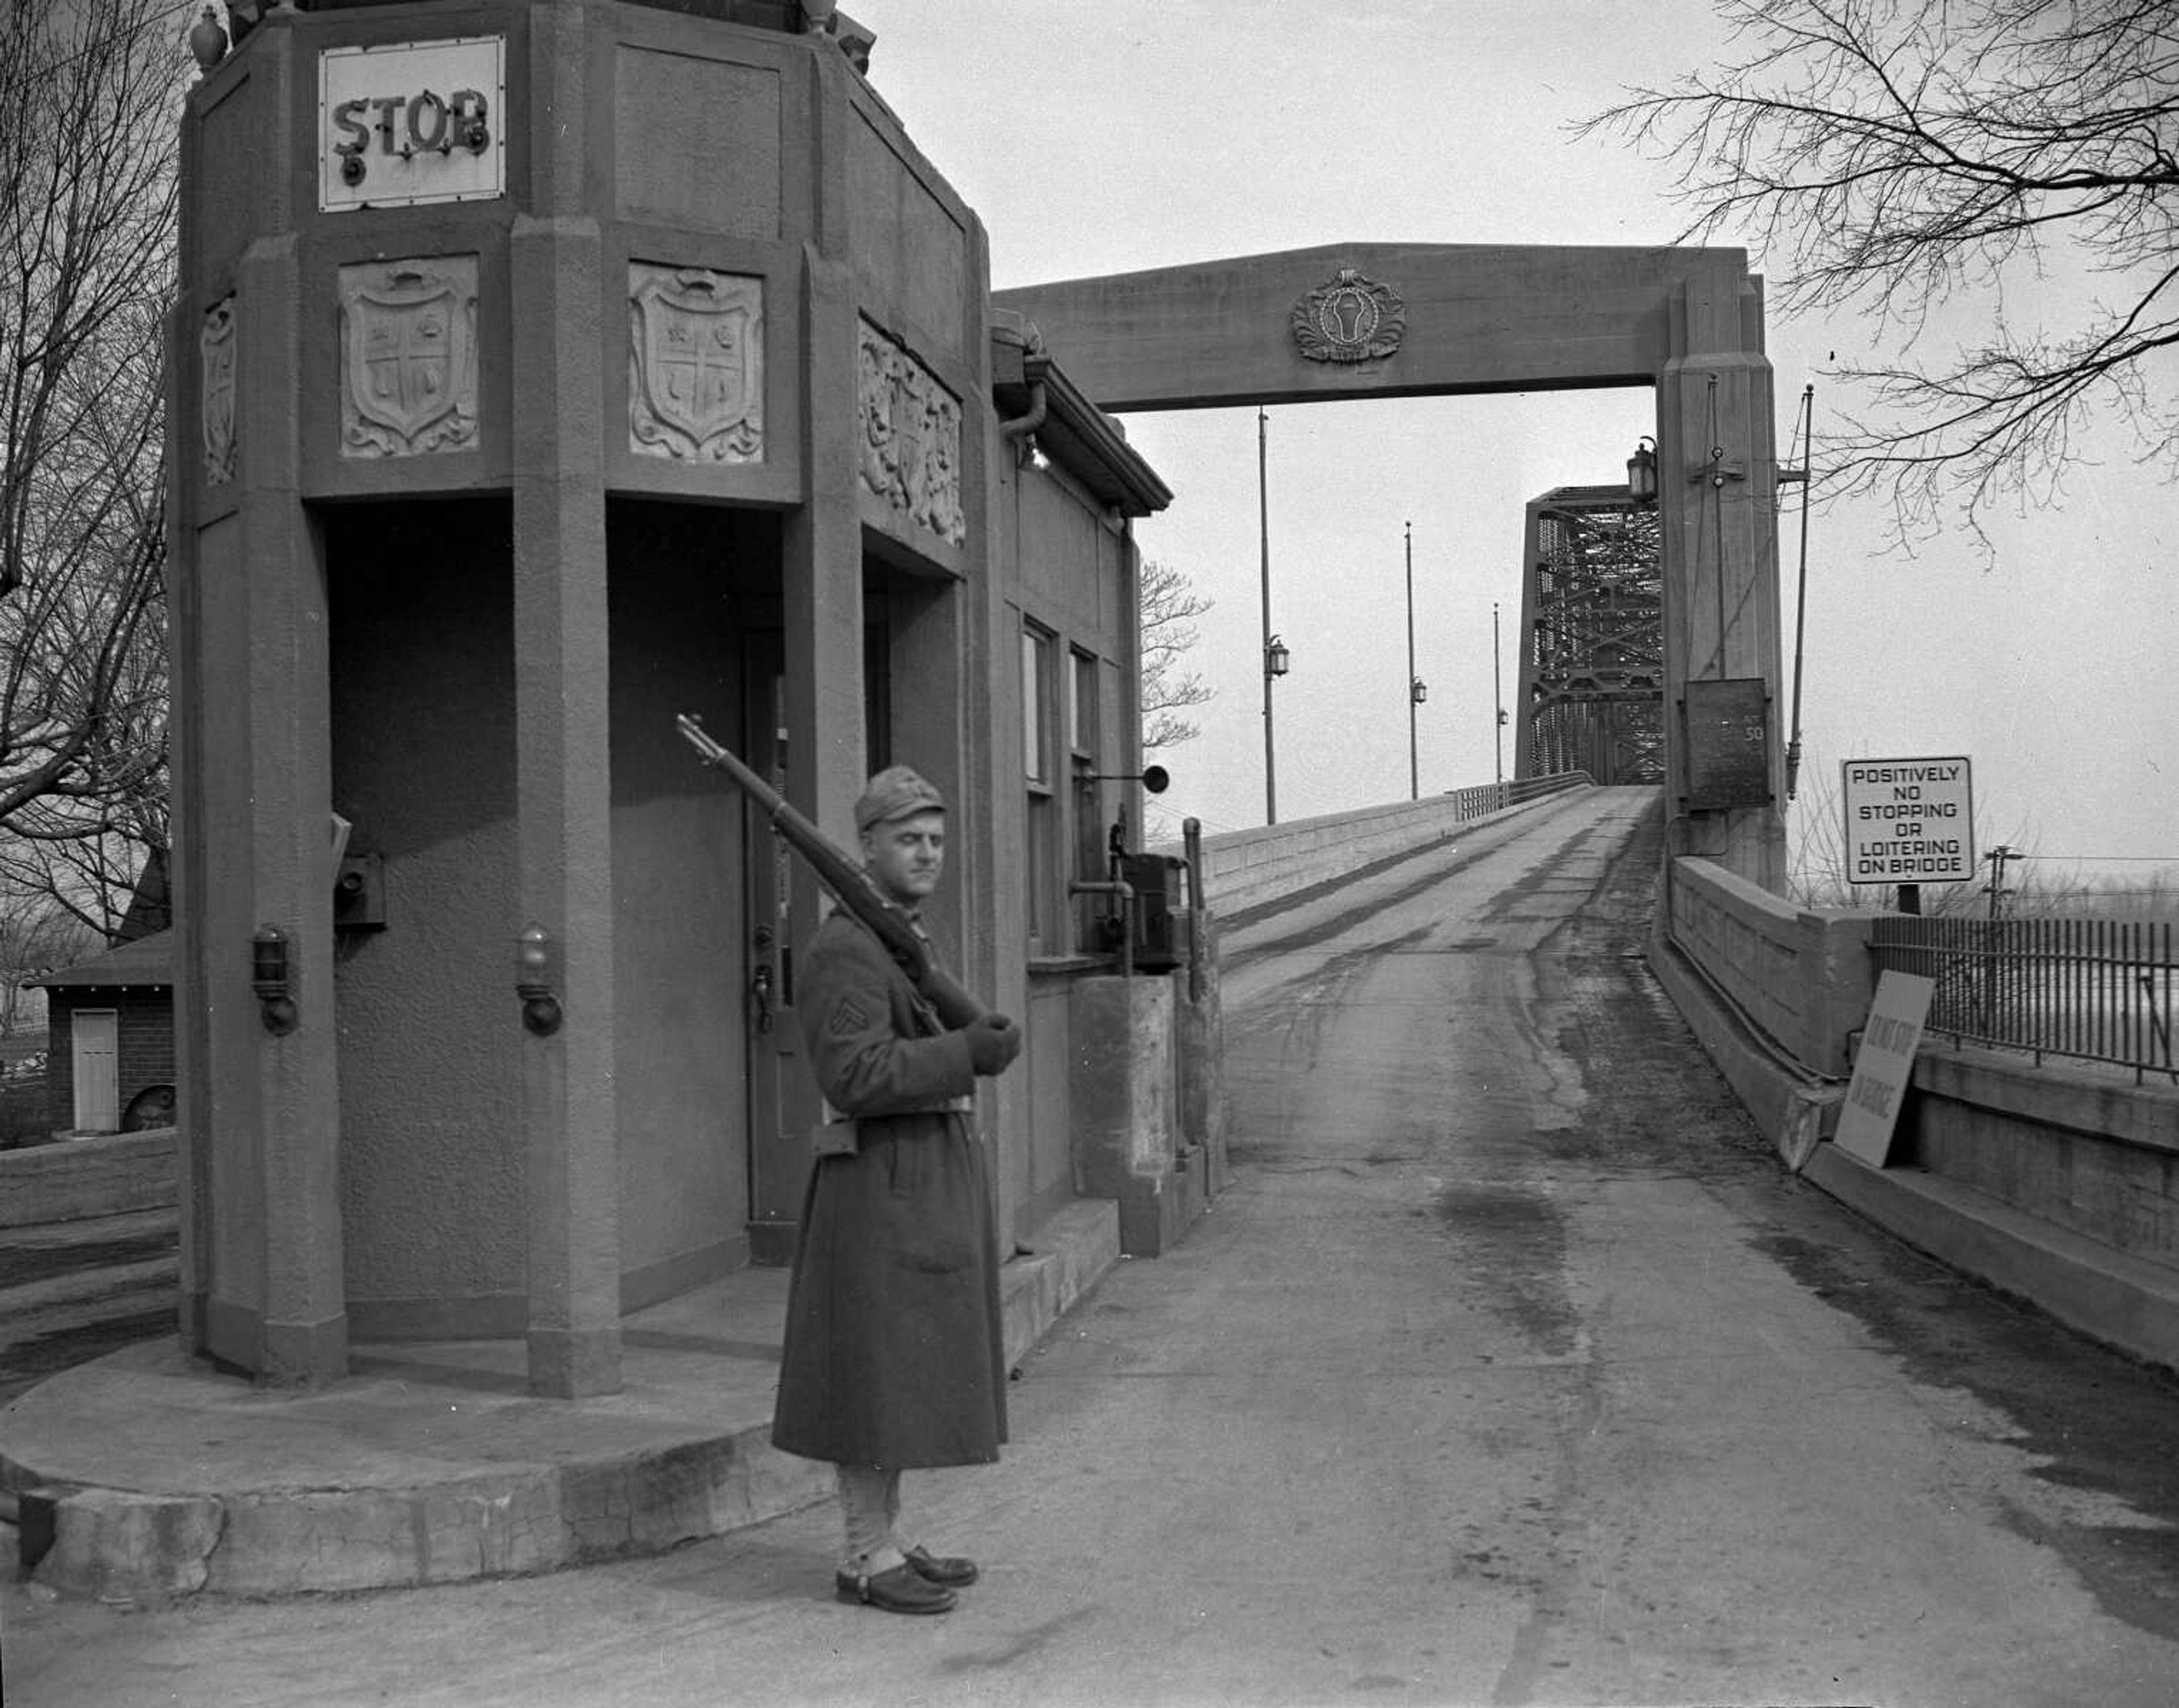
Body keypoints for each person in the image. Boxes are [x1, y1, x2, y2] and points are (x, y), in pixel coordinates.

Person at [771, 764, 1023, 1615]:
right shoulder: (846, 948)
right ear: (867, 846)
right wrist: (965, 1055)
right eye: (909, 838)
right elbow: (854, 1073)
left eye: (937, 839)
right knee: (875, 1378)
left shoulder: (898, 938)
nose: (928, 853)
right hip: (877, 1184)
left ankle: (885, 1533)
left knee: (902, 1378)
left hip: (917, 1177)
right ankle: (862, 1554)